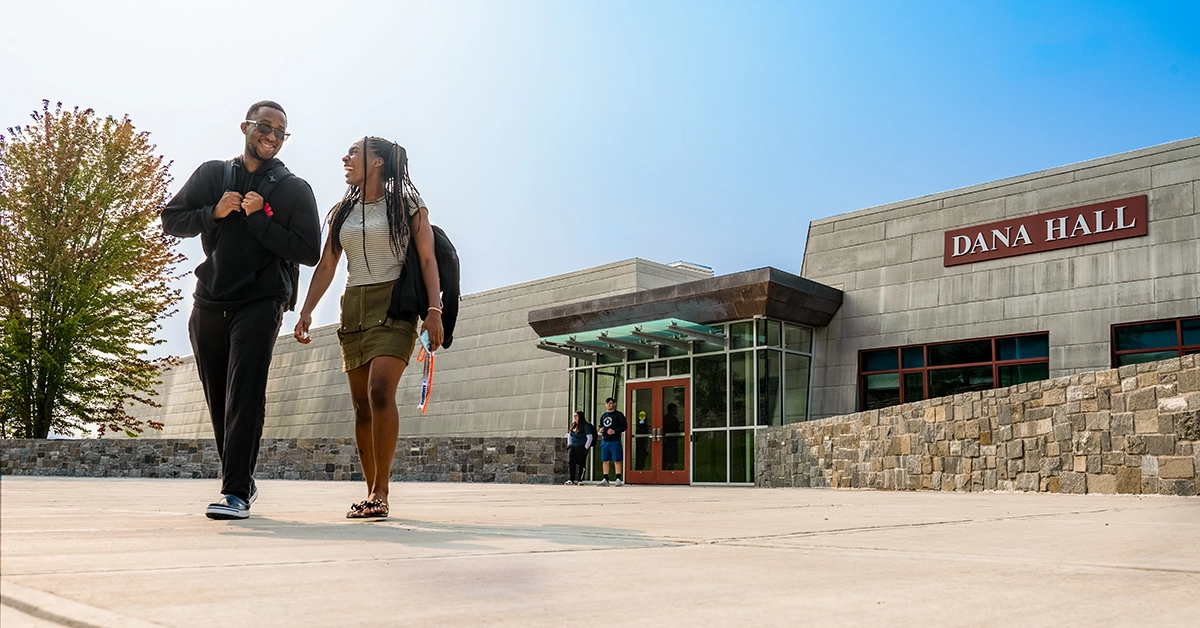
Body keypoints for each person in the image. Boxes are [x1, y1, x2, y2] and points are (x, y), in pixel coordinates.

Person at [161, 101, 321, 519]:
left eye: (280, 132)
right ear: (245, 127)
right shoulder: (214, 174)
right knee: (220, 397)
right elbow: (172, 219)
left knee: (245, 392)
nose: (271, 136)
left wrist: (258, 219)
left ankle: (234, 492)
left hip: (262, 299)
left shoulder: (293, 189)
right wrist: (212, 213)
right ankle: (242, 477)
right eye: (264, 127)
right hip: (210, 298)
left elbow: (309, 250)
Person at [293, 137, 444, 519]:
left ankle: (382, 491)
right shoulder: (343, 210)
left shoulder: (408, 205)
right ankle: (369, 490)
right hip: (354, 306)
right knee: (361, 405)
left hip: (394, 305)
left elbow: (427, 258)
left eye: (354, 153)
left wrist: (434, 309)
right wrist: (306, 311)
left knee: (380, 392)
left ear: (377, 161)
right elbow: (327, 265)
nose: (345, 158)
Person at [597, 397, 627, 486]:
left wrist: (615, 431)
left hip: (615, 440)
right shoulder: (604, 416)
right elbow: (600, 425)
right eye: (607, 403)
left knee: (617, 460)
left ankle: (618, 478)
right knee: (605, 460)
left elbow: (624, 426)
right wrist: (600, 430)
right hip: (605, 440)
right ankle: (606, 478)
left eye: (610, 403)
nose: (608, 405)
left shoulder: (619, 415)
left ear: (614, 404)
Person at [565, 411, 595, 485]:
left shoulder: (586, 426)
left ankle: (580, 480)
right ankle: (571, 479)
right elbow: (569, 435)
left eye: (576, 416)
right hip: (572, 447)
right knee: (571, 463)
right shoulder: (573, 425)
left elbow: (589, 437)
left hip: (580, 447)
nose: (575, 418)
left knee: (581, 464)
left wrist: (585, 448)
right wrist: (569, 445)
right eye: (574, 416)